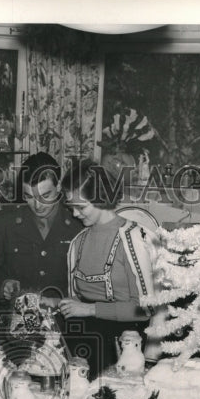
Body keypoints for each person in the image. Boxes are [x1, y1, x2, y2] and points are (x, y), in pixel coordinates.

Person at [57, 159, 159, 376]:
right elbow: (76, 301)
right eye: (71, 207)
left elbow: (145, 309)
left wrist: (89, 309)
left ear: (101, 197)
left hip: (121, 342)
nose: (75, 214)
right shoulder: (78, 242)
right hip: (83, 336)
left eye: (81, 207)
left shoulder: (134, 238)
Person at [0, 152, 80, 317]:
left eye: (45, 196)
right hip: (11, 323)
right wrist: (2, 287)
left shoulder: (77, 225)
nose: (37, 205)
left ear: (58, 187)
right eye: (29, 196)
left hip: (62, 324)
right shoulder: (2, 223)